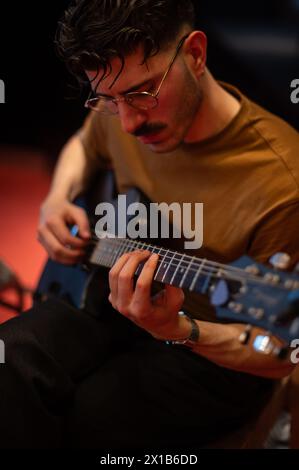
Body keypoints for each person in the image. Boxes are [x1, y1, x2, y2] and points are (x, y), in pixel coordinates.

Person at [0, 0, 299, 449]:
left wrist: (178, 329)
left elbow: (278, 354)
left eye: (142, 93)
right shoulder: (119, 107)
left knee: (85, 417)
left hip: (209, 355)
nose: (128, 121)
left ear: (196, 54)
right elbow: (84, 143)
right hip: (107, 298)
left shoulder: (283, 181)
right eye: (107, 99)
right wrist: (57, 199)